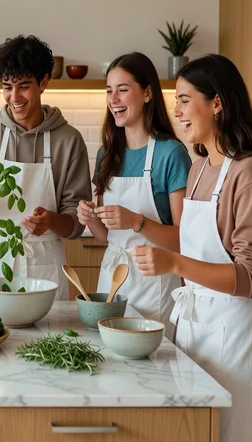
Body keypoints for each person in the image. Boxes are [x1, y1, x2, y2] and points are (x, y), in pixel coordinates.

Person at [132, 54, 252, 442]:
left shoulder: (250, 173)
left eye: (185, 99)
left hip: (239, 337)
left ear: (217, 103)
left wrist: (173, 263)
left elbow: (251, 278)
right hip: (198, 330)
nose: (177, 111)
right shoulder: (200, 166)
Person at [0, 35, 92, 299]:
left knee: (50, 339)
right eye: (7, 87)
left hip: (47, 269)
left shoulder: (69, 140)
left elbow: (76, 224)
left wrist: (51, 221)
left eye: (23, 86)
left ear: (43, 82)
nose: (14, 97)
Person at [77, 52, 190, 340]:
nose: (113, 99)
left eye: (123, 90)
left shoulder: (171, 154)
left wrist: (136, 221)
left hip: (154, 282)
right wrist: (90, 218)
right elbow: (107, 237)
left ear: (148, 93)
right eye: (109, 91)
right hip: (112, 279)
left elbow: (183, 240)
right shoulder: (106, 154)